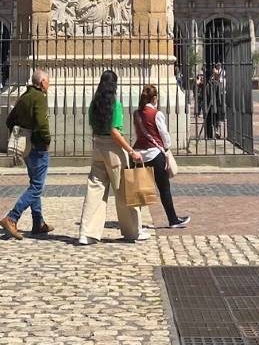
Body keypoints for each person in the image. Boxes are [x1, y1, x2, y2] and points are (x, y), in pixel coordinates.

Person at [77, 70, 147, 244]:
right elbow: (115, 131)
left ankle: (87, 232)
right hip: (114, 150)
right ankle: (133, 231)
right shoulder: (115, 104)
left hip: (98, 147)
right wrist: (131, 151)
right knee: (124, 191)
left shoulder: (94, 104)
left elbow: (93, 126)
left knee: (94, 190)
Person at [0, 68, 54, 239]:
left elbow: (10, 121)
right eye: (48, 81)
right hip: (38, 147)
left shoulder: (24, 97)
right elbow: (41, 123)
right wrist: (45, 140)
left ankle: (38, 222)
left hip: (26, 148)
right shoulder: (39, 97)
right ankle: (12, 217)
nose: (49, 84)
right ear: (43, 82)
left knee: (34, 183)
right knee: (37, 187)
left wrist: (22, 134)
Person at [132, 84, 190, 227]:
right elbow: (165, 136)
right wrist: (167, 148)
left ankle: (135, 223)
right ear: (155, 98)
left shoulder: (137, 114)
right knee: (164, 189)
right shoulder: (157, 114)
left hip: (139, 154)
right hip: (155, 154)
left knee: (140, 190)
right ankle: (173, 219)